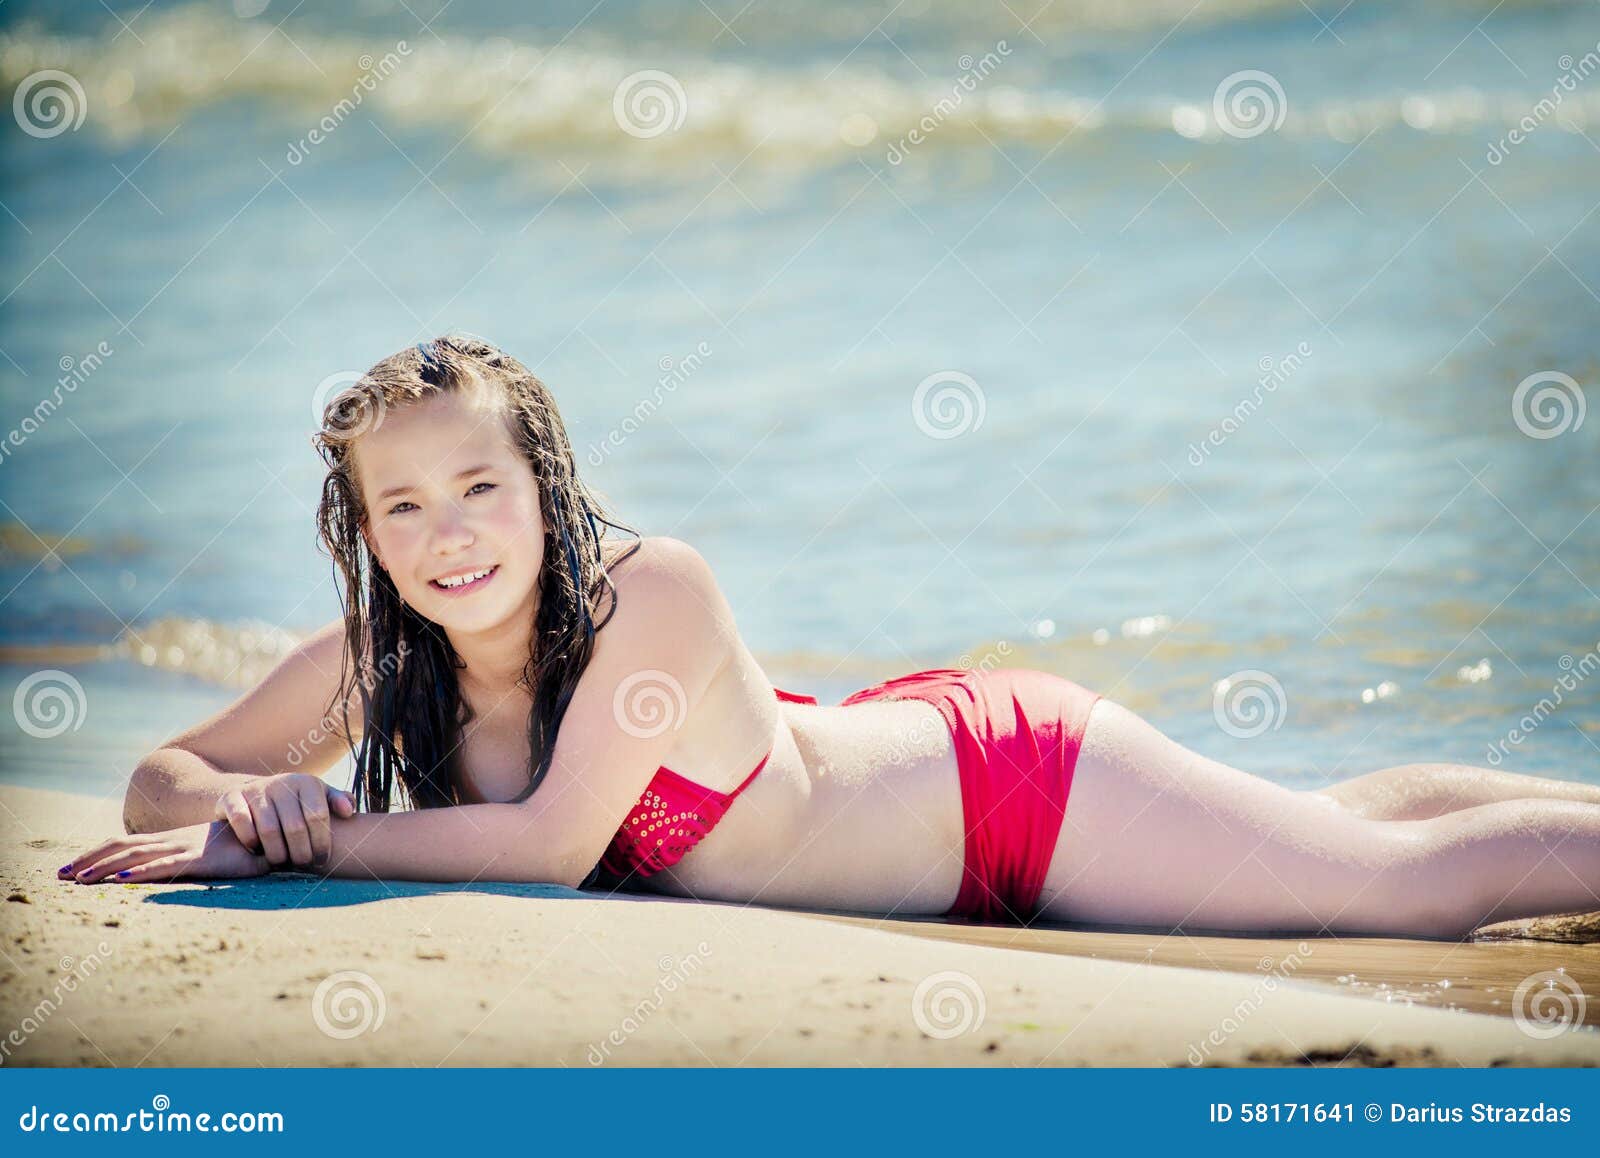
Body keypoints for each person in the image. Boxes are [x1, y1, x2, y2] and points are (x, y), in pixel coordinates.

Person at [60, 336, 1600, 938]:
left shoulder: (652, 591)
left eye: (481, 485)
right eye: (402, 508)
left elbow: (536, 847)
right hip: (892, 784)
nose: (447, 533)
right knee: (1331, 831)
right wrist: (249, 802)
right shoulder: (373, 649)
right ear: (363, 532)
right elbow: (160, 771)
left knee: (1395, 897)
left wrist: (302, 847)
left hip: (1011, 793)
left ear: (549, 488)